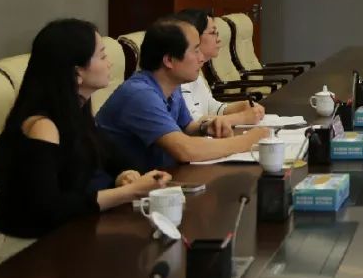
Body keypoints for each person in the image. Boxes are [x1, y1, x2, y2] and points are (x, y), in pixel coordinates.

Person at [0, 19, 171, 274]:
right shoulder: (42, 127)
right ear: (77, 72)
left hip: (64, 244)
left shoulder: (74, 112)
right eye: (102, 56)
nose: (109, 63)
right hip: (22, 259)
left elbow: (114, 156)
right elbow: (48, 209)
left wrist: (124, 174)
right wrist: (129, 192)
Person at [96, 17, 270, 170]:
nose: (201, 58)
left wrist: (206, 127)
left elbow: (187, 128)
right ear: (169, 60)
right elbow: (185, 150)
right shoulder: (140, 94)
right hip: (121, 188)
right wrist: (247, 141)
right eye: (195, 51)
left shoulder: (172, 86)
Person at [173, 9, 265, 127]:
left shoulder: (196, 73)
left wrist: (242, 106)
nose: (219, 39)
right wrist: (241, 118)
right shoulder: (180, 75)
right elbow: (191, 122)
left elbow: (213, 108)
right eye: (213, 33)